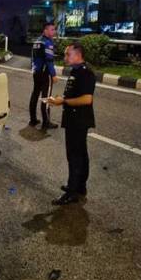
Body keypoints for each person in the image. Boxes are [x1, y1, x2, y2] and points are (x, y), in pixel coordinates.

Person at [47, 42, 96, 205]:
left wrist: (63, 101)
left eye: (68, 54)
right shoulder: (77, 71)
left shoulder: (85, 73)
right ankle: (79, 186)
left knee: (75, 155)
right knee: (80, 153)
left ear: (77, 54)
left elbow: (87, 99)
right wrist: (60, 100)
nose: (65, 57)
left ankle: (72, 192)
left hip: (78, 119)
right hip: (74, 118)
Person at [29, 22, 59, 130]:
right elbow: (49, 60)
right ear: (45, 30)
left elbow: (32, 58)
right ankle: (46, 122)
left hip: (36, 72)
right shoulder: (47, 42)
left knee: (35, 94)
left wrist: (33, 69)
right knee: (46, 97)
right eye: (51, 29)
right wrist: (53, 74)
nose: (54, 32)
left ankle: (33, 119)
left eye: (54, 29)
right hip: (45, 73)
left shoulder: (37, 41)